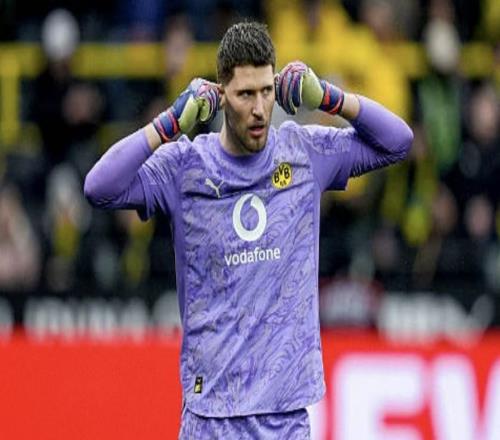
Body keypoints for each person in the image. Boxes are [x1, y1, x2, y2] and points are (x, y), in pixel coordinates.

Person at [84, 21, 413, 439]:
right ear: (221, 95)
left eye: (266, 91)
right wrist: (168, 123)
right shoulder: (186, 167)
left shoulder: (304, 153)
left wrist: (330, 99)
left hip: (285, 417)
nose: (259, 109)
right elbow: (99, 188)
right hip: (211, 417)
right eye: (244, 94)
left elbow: (398, 141)